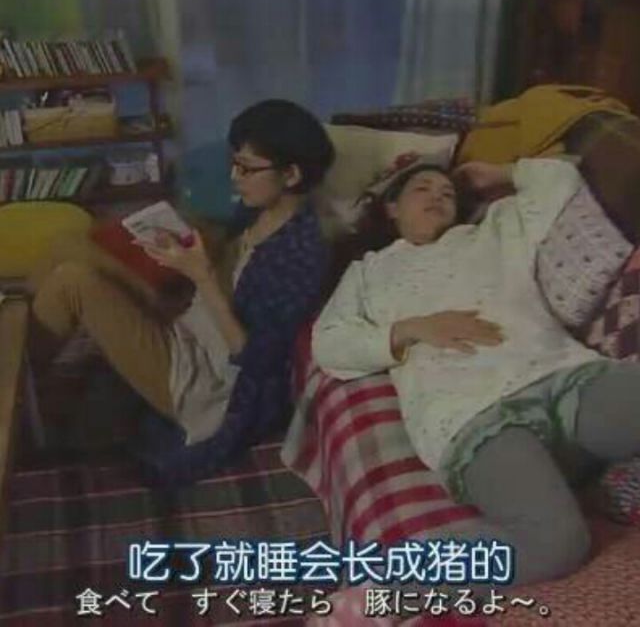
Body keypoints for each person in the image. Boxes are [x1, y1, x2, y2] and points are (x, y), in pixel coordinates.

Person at [312, 156, 640, 586]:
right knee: (558, 543)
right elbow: (329, 344)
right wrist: (411, 329)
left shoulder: (495, 229)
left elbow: (560, 179)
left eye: (447, 193)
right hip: (476, 416)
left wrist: (503, 172)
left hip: (563, 378)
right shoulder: (369, 273)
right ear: (391, 207)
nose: (437, 197)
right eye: (422, 189)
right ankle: (391, 575)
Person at [30, 99, 335, 482]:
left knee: (74, 281)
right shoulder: (257, 211)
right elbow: (226, 263)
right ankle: (21, 377)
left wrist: (202, 276)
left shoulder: (302, 254)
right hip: (185, 323)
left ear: (291, 175)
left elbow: (257, 362)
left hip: (206, 382)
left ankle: (16, 389)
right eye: (234, 163)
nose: (234, 176)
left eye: (246, 168)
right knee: (67, 245)